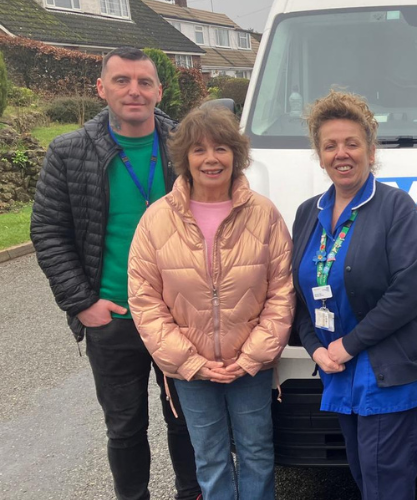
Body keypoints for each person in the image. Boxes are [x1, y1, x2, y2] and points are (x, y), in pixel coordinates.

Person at [30, 47, 201, 500]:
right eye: (122, 80)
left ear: (159, 91)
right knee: (125, 428)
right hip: (113, 315)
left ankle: (194, 493)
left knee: (187, 420)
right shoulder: (69, 152)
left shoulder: (185, 144)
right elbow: (47, 229)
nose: (134, 90)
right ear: (101, 88)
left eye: (145, 82)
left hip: (178, 318)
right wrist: (82, 303)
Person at [127, 105, 294, 500]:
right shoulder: (156, 220)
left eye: (221, 148)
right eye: (199, 150)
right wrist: (190, 361)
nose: (211, 159)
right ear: (184, 157)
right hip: (191, 370)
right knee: (210, 457)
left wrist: (253, 355)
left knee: (256, 452)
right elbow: (145, 298)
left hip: (248, 366)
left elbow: (282, 291)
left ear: (235, 155)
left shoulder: (264, 215)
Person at [291, 90, 417, 500]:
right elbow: (298, 293)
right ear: (319, 155)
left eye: (352, 143)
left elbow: (408, 290)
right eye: (330, 145)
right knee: (361, 474)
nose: (342, 154)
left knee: (386, 482)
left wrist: (348, 346)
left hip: (384, 371)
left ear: (371, 150)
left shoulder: (396, 208)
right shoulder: (308, 213)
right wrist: (315, 347)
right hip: (338, 368)